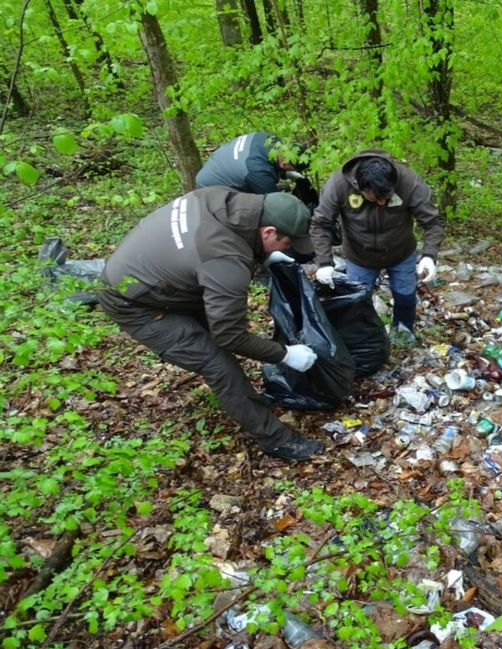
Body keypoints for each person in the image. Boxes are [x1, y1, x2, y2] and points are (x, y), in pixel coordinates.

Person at [97, 188, 324, 461]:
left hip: (161, 277)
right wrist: (285, 354)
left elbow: (224, 252)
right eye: (286, 244)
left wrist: (263, 258)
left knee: (213, 332)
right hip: (134, 303)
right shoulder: (226, 262)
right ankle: (275, 440)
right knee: (218, 364)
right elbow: (230, 337)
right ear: (268, 232)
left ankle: (246, 401)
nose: (289, 249)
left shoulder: (219, 198)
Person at [309, 150, 445, 333]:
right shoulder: (338, 185)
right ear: (359, 186)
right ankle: (365, 336)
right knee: (358, 300)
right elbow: (320, 224)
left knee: (405, 296)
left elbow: (433, 222)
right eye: (375, 198)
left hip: (401, 251)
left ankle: (403, 331)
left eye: (386, 197)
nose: (382, 203)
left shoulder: (409, 182)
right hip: (359, 255)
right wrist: (325, 262)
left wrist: (429, 255)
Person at [195, 132, 309, 196]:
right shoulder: (258, 171)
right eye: (292, 169)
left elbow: (273, 163)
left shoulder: (269, 139)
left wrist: (290, 176)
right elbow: (272, 205)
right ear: (285, 165)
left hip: (217, 167)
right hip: (212, 190)